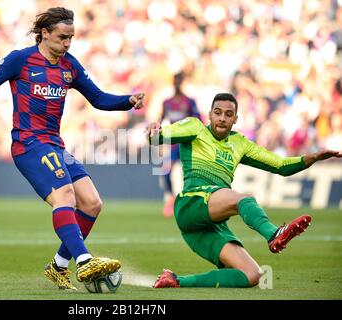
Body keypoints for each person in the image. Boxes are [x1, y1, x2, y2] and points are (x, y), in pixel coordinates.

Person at [0, 7, 145, 290]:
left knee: (92, 203)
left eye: (71, 38)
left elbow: (99, 99)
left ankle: (58, 266)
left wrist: (127, 100)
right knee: (65, 197)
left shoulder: (69, 65)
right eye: (62, 37)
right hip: (28, 143)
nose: (67, 44)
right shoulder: (20, 60)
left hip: (55, 144)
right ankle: (84, 261)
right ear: (44, 34)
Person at [146, 93, 341, 288]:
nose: (222, 118)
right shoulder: (195, 127)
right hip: (192, 203)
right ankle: (274, 234)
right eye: (218, 113)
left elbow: (281, 165)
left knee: (252, 275)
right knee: (244, 199)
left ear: (235, 119)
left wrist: (313, 158)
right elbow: (159, 136)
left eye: (228, 114)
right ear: (210, 115)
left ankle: (175, 280)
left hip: (208, 225)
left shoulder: (240, 143)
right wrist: (154, 131)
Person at [159, 72, 202, 217]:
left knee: (189, 175)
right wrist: (158, 141)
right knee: (165, 172)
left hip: (187, 145)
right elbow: (160, 121)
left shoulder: (190, 102)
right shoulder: (167, 102)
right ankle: (170, 200)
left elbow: (198, 122)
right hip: (172, 144)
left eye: (179, 81)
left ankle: (189, 203)